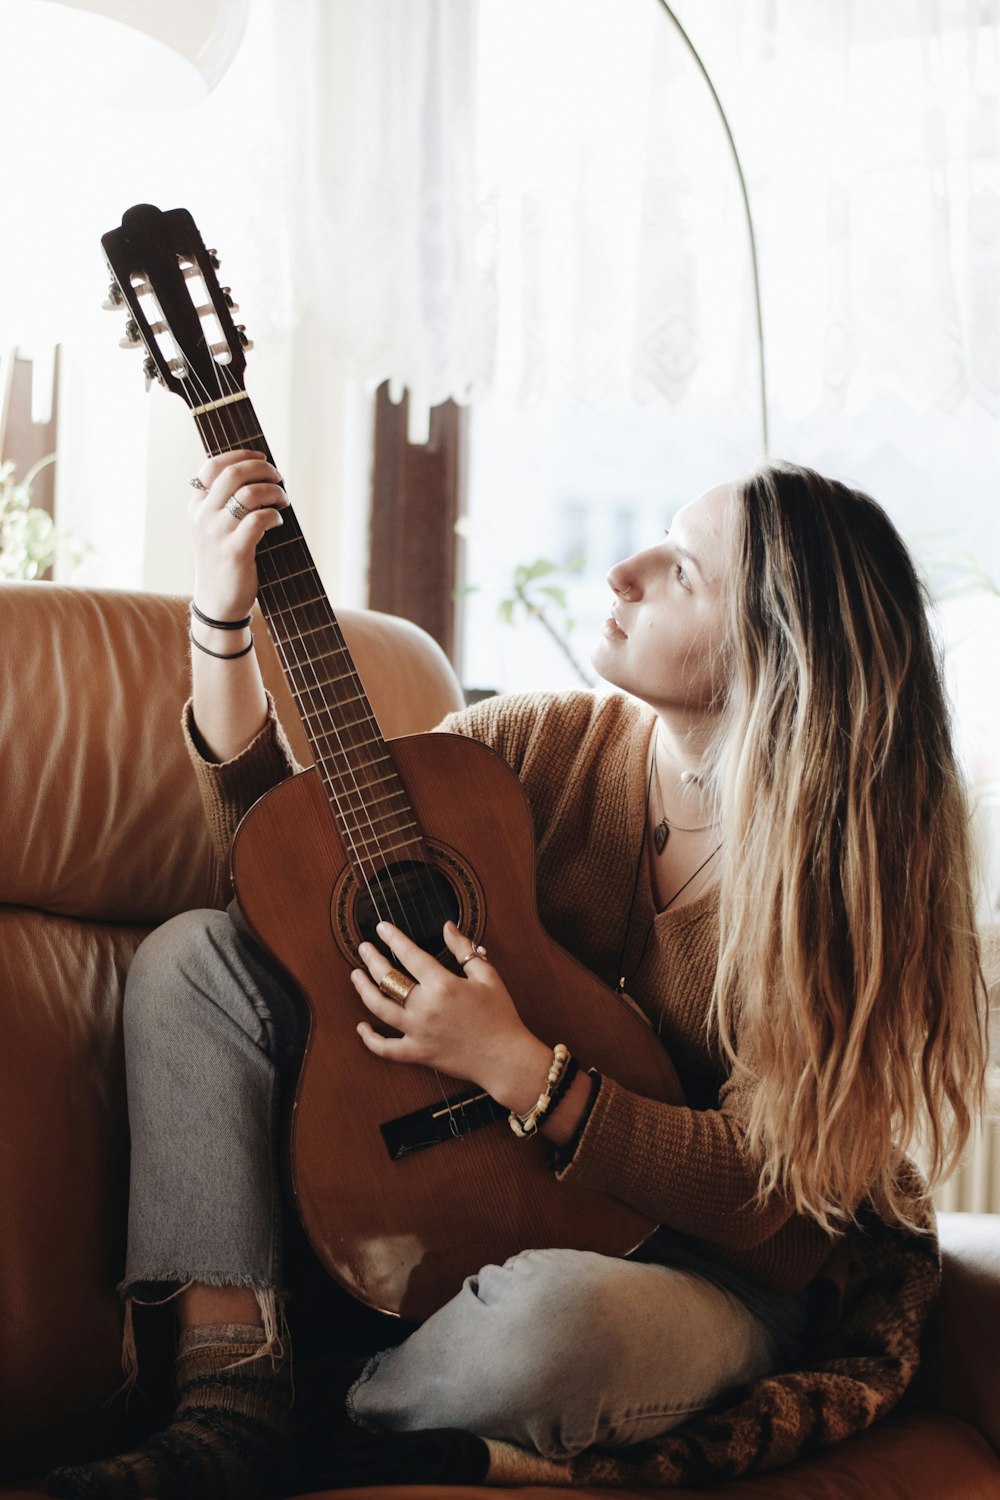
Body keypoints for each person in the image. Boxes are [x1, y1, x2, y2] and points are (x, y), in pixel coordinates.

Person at [47, 455, 988, 1499]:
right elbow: (298, 872)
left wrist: (523, 1071)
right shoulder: (533, 747)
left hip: (694, 1278)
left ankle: (321, 1418)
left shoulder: (845, 889)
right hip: (464, 1217)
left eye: (681, 568)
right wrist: (222, 629)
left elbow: (774, 1194)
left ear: (778, 648)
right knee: (196, 956)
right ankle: (226, 1401)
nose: (623, 571)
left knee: (549, 1328)